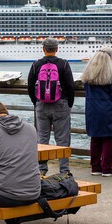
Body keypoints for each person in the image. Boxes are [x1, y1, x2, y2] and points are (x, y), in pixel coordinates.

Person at [27, 37, 75, 176]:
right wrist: (69, 103)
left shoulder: (36, 64)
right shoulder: (64, 64)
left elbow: (30, 86)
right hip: (61, 104)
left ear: (43, 49)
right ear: (57, 49)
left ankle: (41, 170)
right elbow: (70, 86)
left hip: (41, 104)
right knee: (63, 138)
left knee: (42, 138)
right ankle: (64, 171)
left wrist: (36, 102)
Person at [80, 47, 112, 177]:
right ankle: (106, 168)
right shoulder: (111, 72)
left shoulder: (88, 71)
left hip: (92, 109)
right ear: (109, 58)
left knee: (95, 138)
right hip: (108, 110)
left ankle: (95, 167)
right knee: (109, 138)